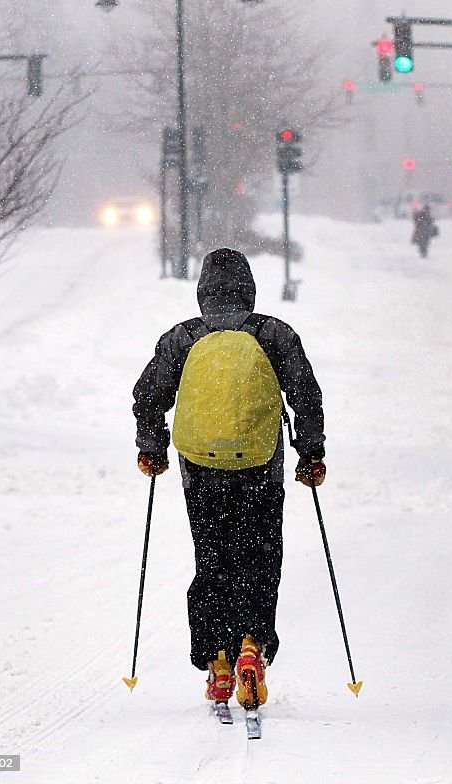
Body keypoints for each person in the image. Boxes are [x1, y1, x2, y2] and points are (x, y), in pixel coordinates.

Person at [132, 247, 326, 714]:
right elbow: (306, 394)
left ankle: (216, 660)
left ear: (202, 294)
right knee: (261, 558)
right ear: (250, 290)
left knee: (213, 558)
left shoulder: (184, 337)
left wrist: (152, 448)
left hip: (201, 469)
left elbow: (148, 397)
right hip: (260, 466)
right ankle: (251, 647)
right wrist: (311, 454)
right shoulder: (273, 333)